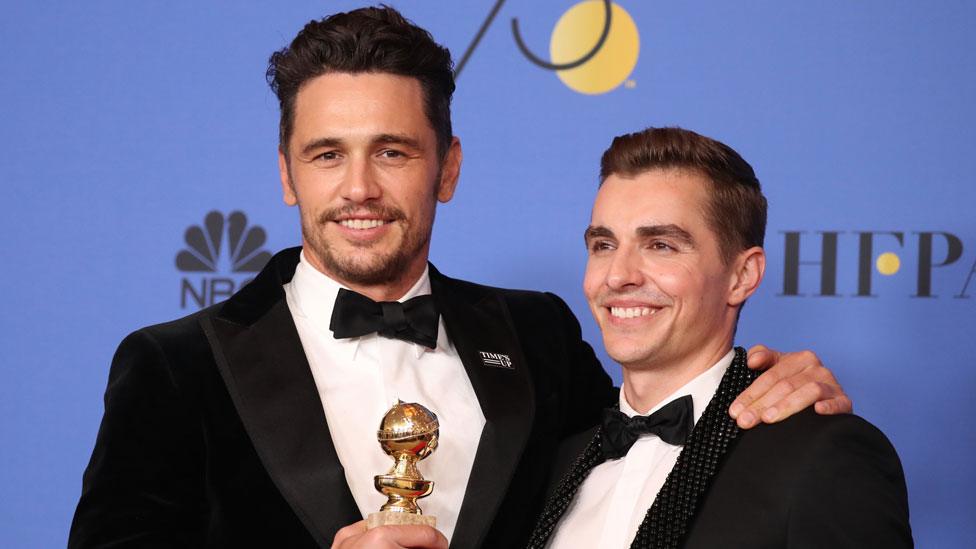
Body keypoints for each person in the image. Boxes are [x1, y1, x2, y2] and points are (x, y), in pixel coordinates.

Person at [69, 8, 851, 549]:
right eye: (327, 154)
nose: (360, 189)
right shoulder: (175, 366)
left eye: (394, 151)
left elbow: (652, 447)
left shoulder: (536, 336)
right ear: (287, 175)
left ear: (448, 168)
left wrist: (767, 385)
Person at [524, 127, 912, 549]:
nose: (618, 276)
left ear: (742, 276)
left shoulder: (822, 457)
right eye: (603, 244)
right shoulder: (550, 462)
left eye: (661, 245)